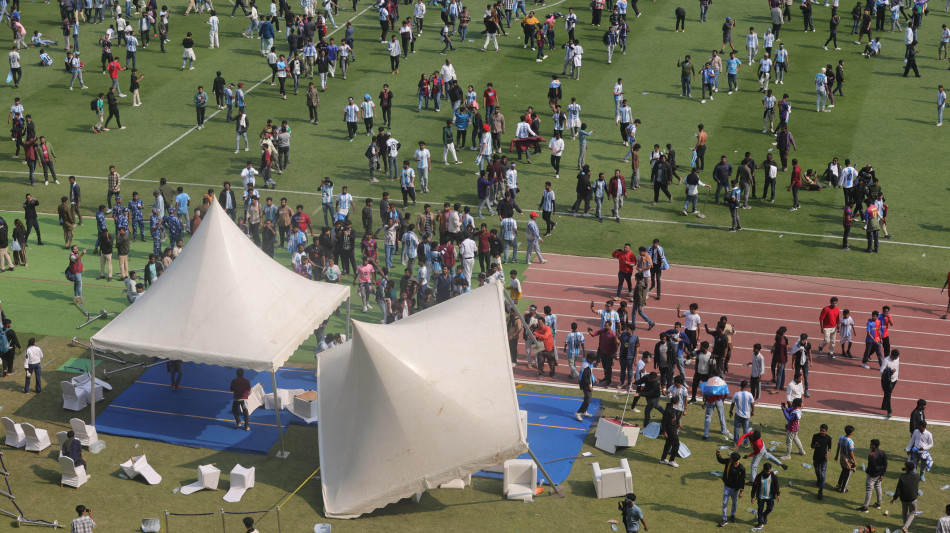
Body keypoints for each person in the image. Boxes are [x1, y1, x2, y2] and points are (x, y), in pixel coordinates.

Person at [714, 450, 745, 527]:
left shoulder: (741, 468)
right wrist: (718, 455)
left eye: (731, 458)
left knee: (734, 503)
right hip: (727, 486)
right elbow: (721, 461)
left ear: (735, 460)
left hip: (735, 489)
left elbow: (742, 480)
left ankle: (732, 516)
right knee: (725, 503)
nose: (730, 459)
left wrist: (741, 491)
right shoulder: (728, 461)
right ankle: (724, 519)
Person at [857, 438, 887, 512]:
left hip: (872, 475)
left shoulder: (871, 455)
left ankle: (865, 507)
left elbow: (874, 467)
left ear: (874, 446)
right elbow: (885, 464)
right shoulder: (882, 452)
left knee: (869, 490)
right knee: (878, 488)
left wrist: (867, 470)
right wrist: (882, 473)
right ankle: (878, 504)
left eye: (871, 444)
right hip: (879, 475)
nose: (870, 445)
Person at [889, 461, 919, 532]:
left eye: (905, 466)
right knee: (913, 512)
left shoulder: (902, 477)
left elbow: (898, 489)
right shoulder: (917, 476)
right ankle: (905, 527)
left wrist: (894, 498)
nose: (904, 467)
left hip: (903, 498)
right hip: (912, 498)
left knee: (904, 512)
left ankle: (904, 525)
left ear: (907, 468)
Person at [751, 462, 780, 527]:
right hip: (761, 497)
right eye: (767, 471)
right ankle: (760, 523)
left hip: (770, 496)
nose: (769, 473)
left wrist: (778, 494)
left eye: (770, 471)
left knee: (770, 508)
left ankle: (764, 515)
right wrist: (753, 496)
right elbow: (754, 487)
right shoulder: (758, 477)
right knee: (760, 510)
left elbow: (776, 485)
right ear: (764, 470)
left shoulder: (773, 476)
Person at [729, 380, 754, 445]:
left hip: (738, 414)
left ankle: (736, 441)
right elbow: (752, 404)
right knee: (745, 428)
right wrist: (753, 411)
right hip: (747, 415)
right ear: (747, 386)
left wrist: (730, 411)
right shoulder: (749, 394)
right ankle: (746, 442)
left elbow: (732, 404)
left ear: (740, 385)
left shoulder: (736, 394)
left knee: (737, 428)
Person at [659, 394, 682, 468]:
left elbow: (674, 419)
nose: (679, 403)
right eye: (678, 401)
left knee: (668, 444)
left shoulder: (673, 408)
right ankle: (671, 460)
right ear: (675, 402)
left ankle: (663, 458)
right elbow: (663, 421)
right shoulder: (668, 410)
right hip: (670, 429)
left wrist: (679, 424)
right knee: (676, 444)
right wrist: (664, 431)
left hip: (673, 428)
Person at [811, 423, 832, 499]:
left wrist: (828, 454)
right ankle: (819, 480)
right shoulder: (815, 436)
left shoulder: (829, 438)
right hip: (816, 457)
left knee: (823, 474)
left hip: (824, 459)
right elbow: (812, 446)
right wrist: (815, 445)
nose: (821, 432)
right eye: (820, 430)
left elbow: (830, 447)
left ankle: (820, 490)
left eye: (823, 431)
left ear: (826, 431)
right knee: (817, 471)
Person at [574, 352, 595, 421]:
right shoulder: (585, 366)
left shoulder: (589, 364)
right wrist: (589, 385)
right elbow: (585, 378)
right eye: (592, 360)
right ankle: (578, 412)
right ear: (588, 359)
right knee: (588, 398)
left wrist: (594, 378)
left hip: (588, 382)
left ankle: (584, 411)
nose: (593, 362)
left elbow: (590, 373)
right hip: (585, 384)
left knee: (589, 398)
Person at [880, 349, 899, 418]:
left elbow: (897, 367)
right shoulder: (886, 360)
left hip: (894, 380)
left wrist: (896, 376)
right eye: (896, 357)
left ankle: (884, 406)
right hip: (888, 381)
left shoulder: (897, 359)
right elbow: (881, 371)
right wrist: (890, 372)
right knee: (888, 395)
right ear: (892, 355)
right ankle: (889, 411)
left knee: (887, 394)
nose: (896, 358)